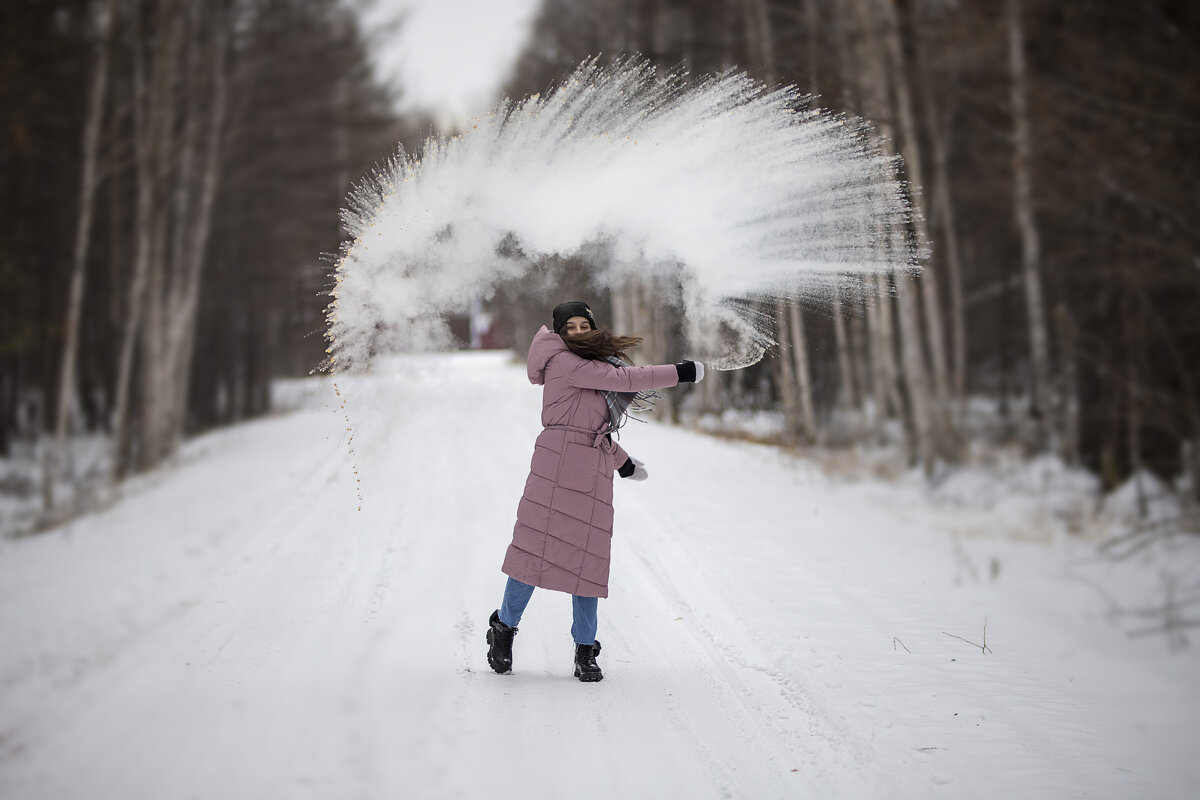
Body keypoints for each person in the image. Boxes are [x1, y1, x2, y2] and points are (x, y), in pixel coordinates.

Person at [486, 301, 704, 682]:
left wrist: (623, 463)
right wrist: (681, 372)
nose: (578, 332)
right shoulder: (563, 363)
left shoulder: (593, 366)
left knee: (587, 562)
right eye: (569, 327)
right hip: (554, 468)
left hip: (592, 472)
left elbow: (591, 430)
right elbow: (626, 381)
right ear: (559, 333)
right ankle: (503, 628)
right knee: (533, 553)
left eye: (584, 324)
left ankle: (585, 650)